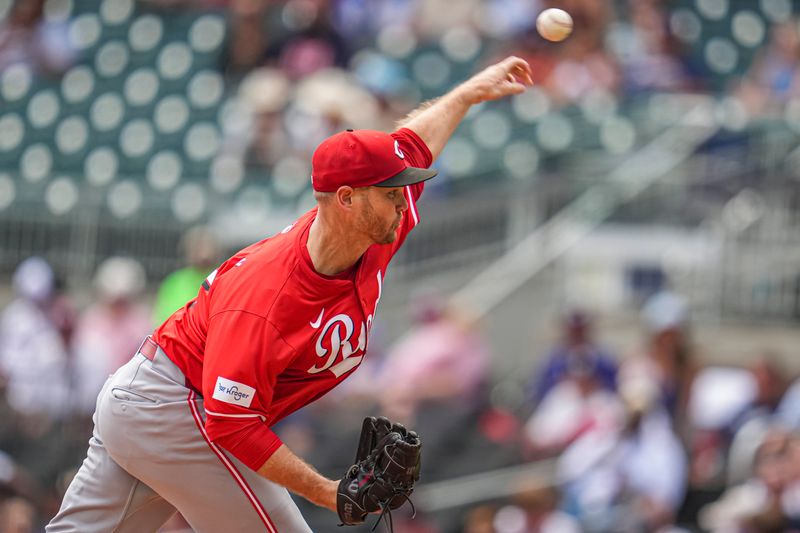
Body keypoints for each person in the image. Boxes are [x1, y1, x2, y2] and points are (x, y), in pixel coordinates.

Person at [47, 55, 534, 532]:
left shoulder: (372, 226)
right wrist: (328, 491)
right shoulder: (266, 295)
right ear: (346, 200)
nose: (401, 200)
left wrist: (468, 93)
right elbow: (229, 423)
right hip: (177, 406)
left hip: (148, 403)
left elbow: (413, 144)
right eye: (389, 192)